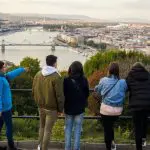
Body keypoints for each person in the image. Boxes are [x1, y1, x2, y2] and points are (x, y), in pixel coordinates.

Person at [32, 55, 64, 150]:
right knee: (47, 130)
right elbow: (59, 95)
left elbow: (33, 90)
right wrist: (60, 109)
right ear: (54, 63)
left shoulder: (38, 74)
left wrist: (37, 101)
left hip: (40, 106)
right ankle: (43, 148)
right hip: (52, 108)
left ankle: (39, 147)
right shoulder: (56, 76)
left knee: (41, 127)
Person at [95, 62, 127, 150]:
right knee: (110, 126)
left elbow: (97, 90)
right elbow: (125, 90)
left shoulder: (104, 80)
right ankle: (112, 142)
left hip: (106, 110)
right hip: (117, 111)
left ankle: (108, 147)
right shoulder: (123, 82)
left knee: (107, 129)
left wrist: (97, 87)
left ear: (109, 70)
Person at [0, 61, 28, 150]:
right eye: (4, 67)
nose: (5, 68)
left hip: (4, 108)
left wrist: (22, 69)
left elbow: (11, 74)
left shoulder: (3, 76)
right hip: (4, 109)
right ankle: (11, 147)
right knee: (9, 127)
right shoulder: (0, 79)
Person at [64, 61, 89, 150]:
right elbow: (87, 94)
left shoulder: (66, 80)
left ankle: (67, 148)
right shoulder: (84, 79)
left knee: (68, 130)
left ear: (71, 69)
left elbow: (64, 94)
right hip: (80, 109)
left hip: (68, 108)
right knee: (78, 131)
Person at [126, 62, 150, 150]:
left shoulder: (130, 75)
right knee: (144, 122)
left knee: (137, 128)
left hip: (136, 106)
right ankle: (144, 139)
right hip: (147, 104)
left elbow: (126, 87)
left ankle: (139, 148)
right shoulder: (148, 75)